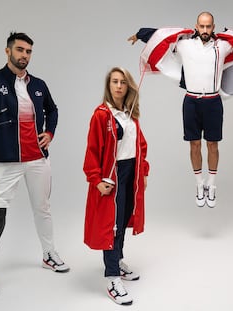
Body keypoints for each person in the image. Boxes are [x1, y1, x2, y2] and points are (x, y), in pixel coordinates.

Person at [128, 11, 233, 208]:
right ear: (196, 26)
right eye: (201, 26)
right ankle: (199, 184)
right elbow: (160, 36)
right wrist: (140, 34)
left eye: (208, 26)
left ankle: (211, 184)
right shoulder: (184, 44)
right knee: (193, 145)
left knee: (212, 145)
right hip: (191, 101)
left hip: (212, 102)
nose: (205, 30)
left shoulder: (223, 45)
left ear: (213, 27)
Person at [0, 32, 69, 298]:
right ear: (8, 51)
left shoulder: (39, 84)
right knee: (0, 210)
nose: (24, 55)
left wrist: (50, 132)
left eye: (29, 51)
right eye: (20, 50)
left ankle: (48, 253)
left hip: (37, 157)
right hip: (7, 157)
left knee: (42, 208)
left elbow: (53, 110)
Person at [83, 67, 149, 305]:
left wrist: (144, 173)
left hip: (131, 174)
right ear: (108, 85)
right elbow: (92, 150)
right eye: (114, 82)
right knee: (110, 226)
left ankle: (118, 261)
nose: (119, 86)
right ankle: (112, 278)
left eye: (123, 82)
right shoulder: (101, 115)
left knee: (121, 222)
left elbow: (140, 145)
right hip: (113, 176)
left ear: (129, 86)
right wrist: (96, 179)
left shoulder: (131, 115)